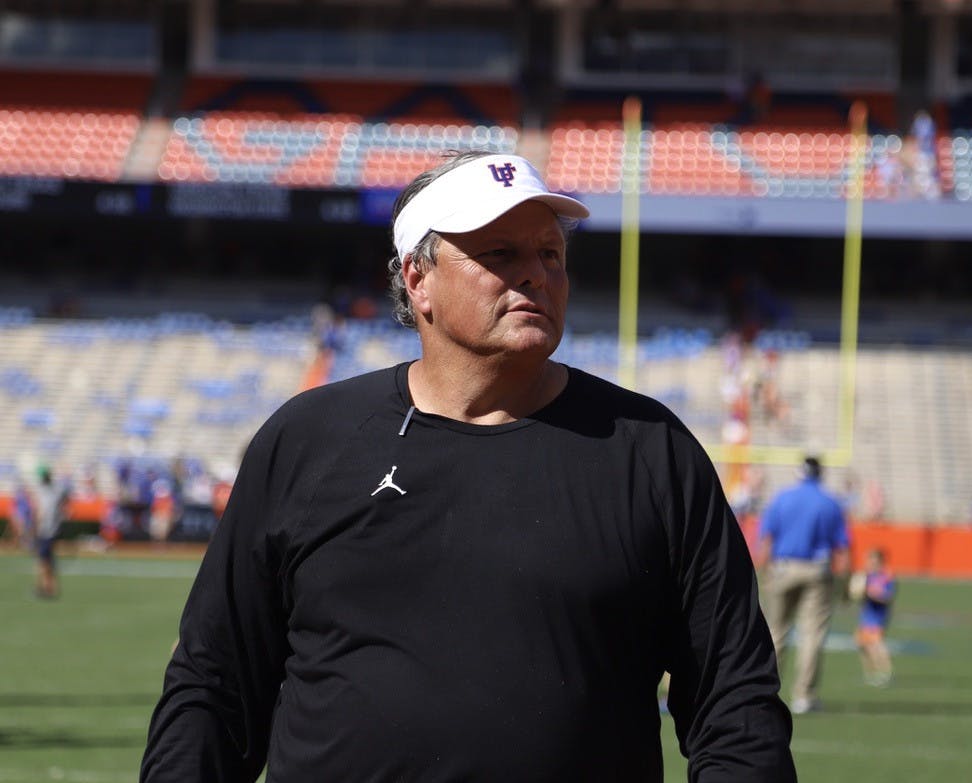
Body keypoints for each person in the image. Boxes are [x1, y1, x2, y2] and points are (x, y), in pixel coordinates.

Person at [141, 151, 795, 782]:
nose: (535, 274)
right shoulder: (309, 439)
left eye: (550, 253)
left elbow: (733, 704)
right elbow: (215, 682)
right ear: (418, 278)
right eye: (500, 254)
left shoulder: (651, 450)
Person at [756, 455, 850, 715]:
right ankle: (804, 696)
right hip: (818, 570)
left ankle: (762, 691)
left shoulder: (783, 497)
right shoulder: (830, 502)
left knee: (774, 633)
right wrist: (845, 584)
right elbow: (843, 548)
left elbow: (765, 539)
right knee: (812, 635)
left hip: (783, 567)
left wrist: (765, 571)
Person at [852, 548, 896, 687]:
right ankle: (870, 673)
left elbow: (888, 597)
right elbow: (858, 594)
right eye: (869, 560)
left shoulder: (886, 577)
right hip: (866, 615)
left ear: (880, 561)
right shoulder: (866, 576)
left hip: (878, 616)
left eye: (874, 560)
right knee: (862, 644)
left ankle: (886, 673)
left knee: (877, 645)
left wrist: (871, 594)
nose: (871, 563)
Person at [33, 466, 70, 599]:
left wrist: (35, 528)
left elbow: (41, 513)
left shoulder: (52, 490)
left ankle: (48, 588)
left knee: (45, 561)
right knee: (46, 560)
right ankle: (46, 587)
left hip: (47, 531)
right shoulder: (51, 490)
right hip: (49, 530)